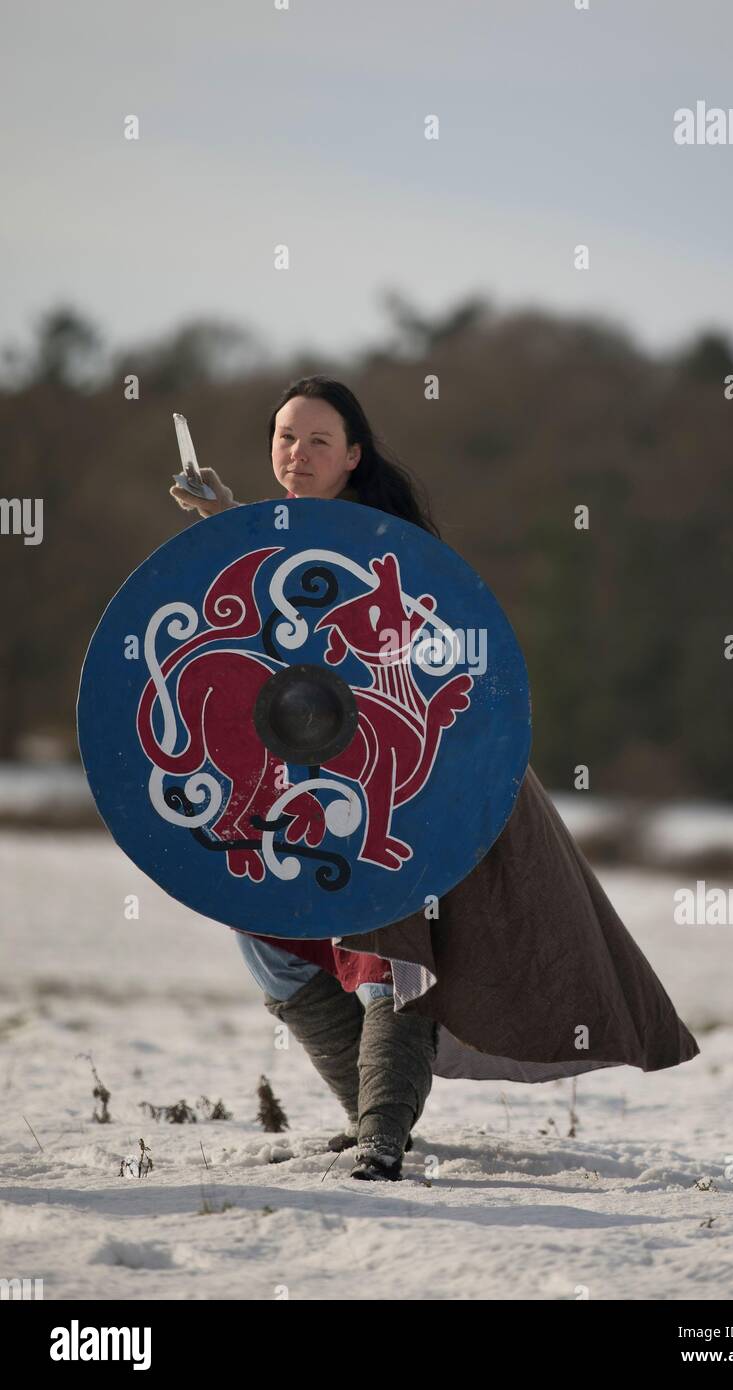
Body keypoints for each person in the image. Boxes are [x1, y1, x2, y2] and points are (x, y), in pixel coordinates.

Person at [171, 376, 701, 1182]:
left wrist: (242, 530)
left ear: (354, 455)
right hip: (313, 785)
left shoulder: (390, 550)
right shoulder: (290, 538)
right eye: (284, 437)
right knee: (269, 934)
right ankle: (370, 1115)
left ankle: (383, 1137)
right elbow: (271, 612)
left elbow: (402, 645)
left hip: (424, 784)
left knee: (392, 948)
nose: (297, 453)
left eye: (319, 440)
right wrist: (226, 523)